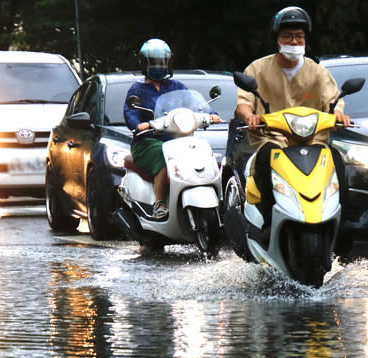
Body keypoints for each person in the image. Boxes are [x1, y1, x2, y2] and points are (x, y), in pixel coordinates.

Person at [235, 6, 351, 230]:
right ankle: (267, 220)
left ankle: (341, 226)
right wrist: (249, 116)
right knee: (265, 159)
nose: (294, 41)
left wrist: (338, 114)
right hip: (272, 139)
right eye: (287, 36)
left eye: (299, 36)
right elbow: (244, 103)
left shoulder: (318, 72)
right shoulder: (257, 69)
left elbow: (333, 101)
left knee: (337, 160)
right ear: (276, 39)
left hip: (313, 142)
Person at [124, 38, 222, 220]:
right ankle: (160, 203)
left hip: (177, 139)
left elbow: (195, 104)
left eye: (162, 62)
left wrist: (211, 114)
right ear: (144, 64)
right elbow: (131, 112)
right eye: (153, 62)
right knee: (163, 157)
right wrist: (138, 125)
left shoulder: (177, 86)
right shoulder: (137, 89)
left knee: (202, 153)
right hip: (148, 141)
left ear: (170, 63)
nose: (159, 66)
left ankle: (219, 200)